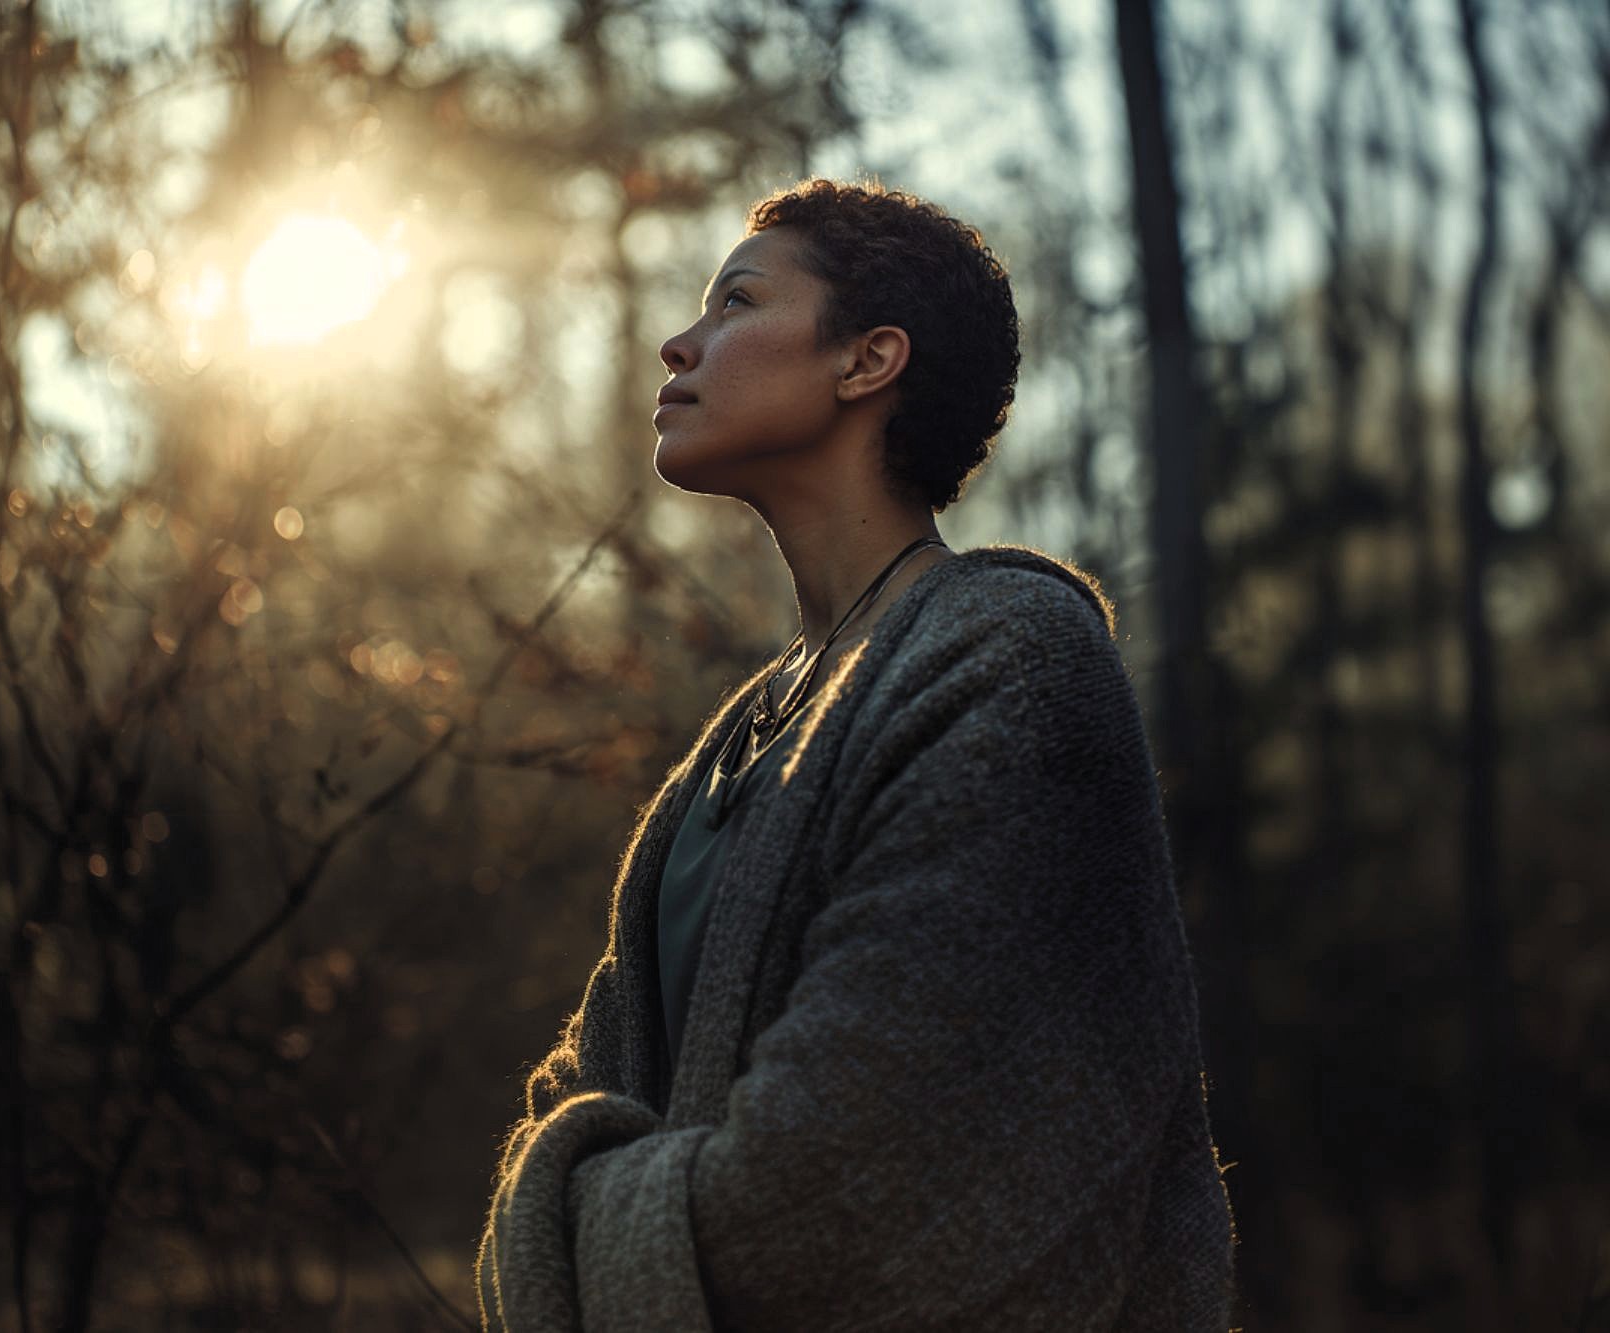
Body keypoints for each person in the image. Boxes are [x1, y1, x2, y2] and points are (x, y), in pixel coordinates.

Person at [475, 177, 1236, 1331]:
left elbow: (834, 1193)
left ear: (866, 360)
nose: (677, 343)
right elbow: (577, 1087)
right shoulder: (741, 734)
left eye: (734, 302)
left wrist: (564, 1215)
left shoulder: (1012, 661)